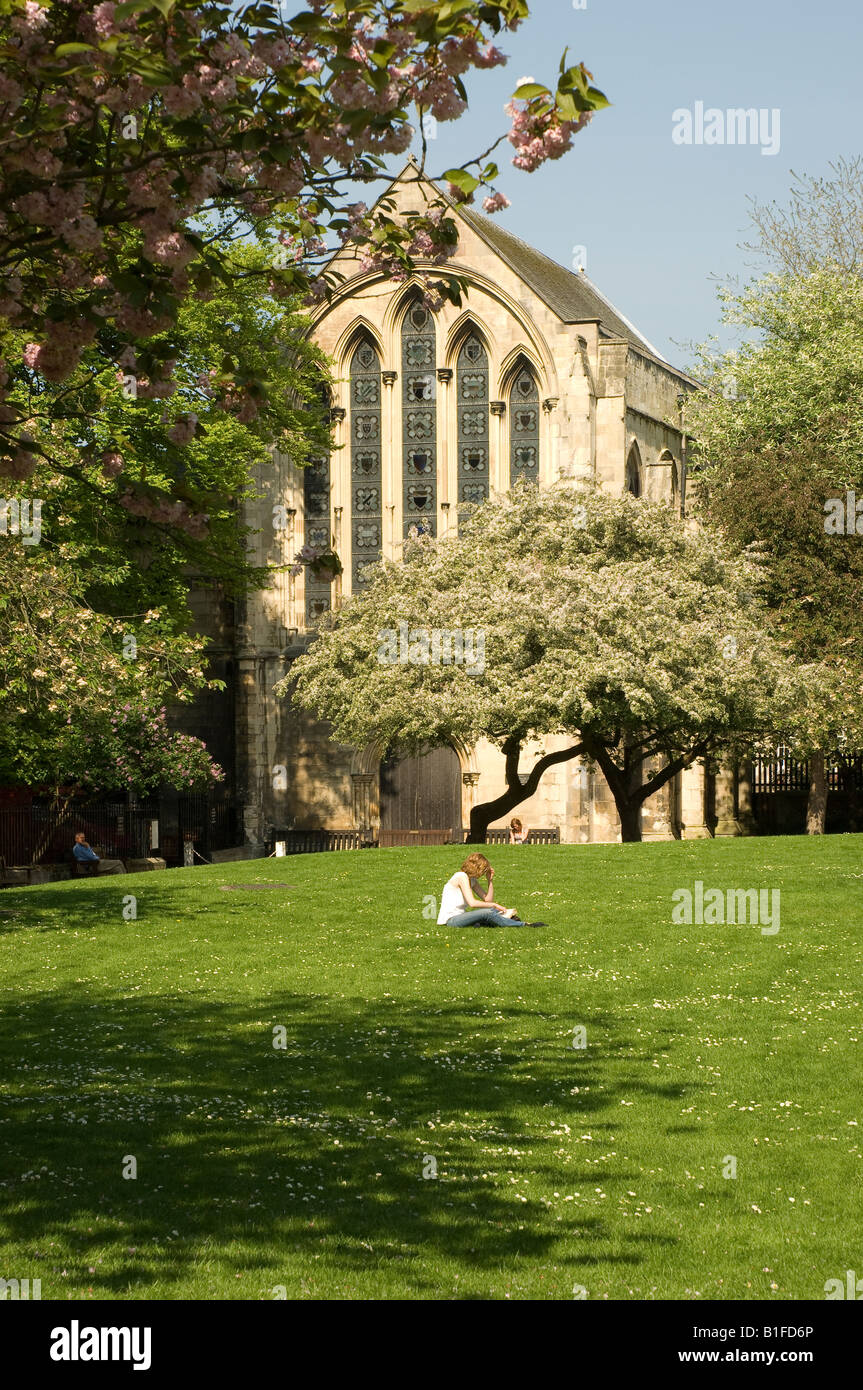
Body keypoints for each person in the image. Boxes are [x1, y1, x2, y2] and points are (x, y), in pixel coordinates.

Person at [436, 852, 546, 928]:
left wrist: (490, 880)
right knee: (489, 912)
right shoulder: (461, 876)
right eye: (483, 870)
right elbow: (472, 903)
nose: (483, 873)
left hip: (460, 917)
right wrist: (495, 905)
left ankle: (484, 924)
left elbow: (487, 900)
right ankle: (523, 925)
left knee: (491, 911)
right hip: (451, 920)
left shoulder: (472, 880)